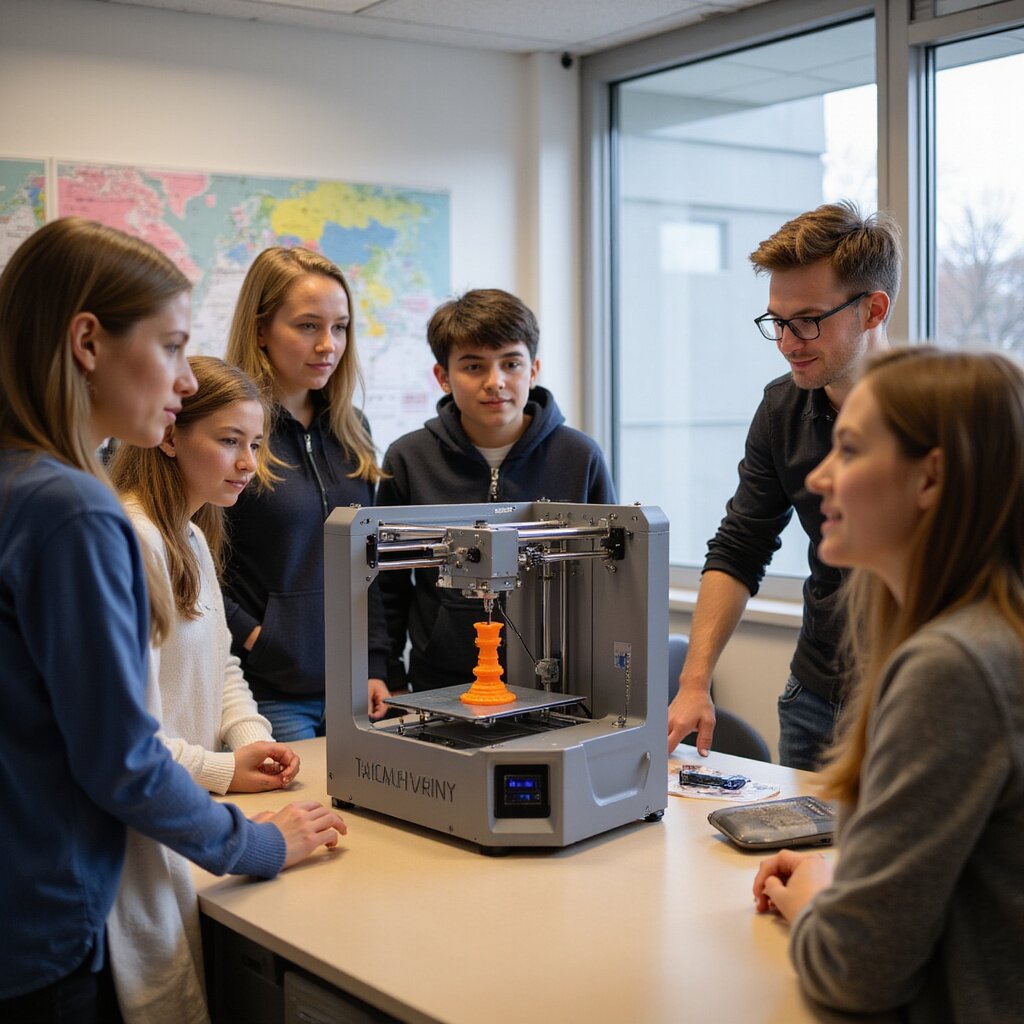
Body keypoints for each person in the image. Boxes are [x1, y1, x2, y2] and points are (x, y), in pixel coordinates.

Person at [0, 218, 347, 1023]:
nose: (184, 381)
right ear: (87, 342)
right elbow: (124, 759)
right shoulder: (74, 511)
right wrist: (260, 843)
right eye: (169, 347)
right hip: (48, 924)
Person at [752, 347, 1024, 1020]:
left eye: (848, 450)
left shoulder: (954, 666)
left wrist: (816, 898)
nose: (818, 478)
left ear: (930, 478)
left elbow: (854, 970)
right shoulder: (989, 637)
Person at [667, 201, 901, 770]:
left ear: (873, 310)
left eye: (809, 320)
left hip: (914, 693)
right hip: (816, 696)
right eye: (778, 320)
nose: (788, 341)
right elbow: (741, 545)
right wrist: (694, 682)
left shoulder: (940, 412)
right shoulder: (781, 407)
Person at [107, 356, 299, 1024]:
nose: (247, 463)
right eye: (227, 441)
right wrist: (224, 772)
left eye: (254, 443)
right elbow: (130, 738)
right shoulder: (132, 541)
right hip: (144, 833)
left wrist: (253, 740)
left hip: (186, 815)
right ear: (168, 435)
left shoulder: (189, 533)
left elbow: (219, 667)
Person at [377, 288, 616, 692]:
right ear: (443, 377)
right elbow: (388, 586)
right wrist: (386, 671)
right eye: (473, 366)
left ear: (534, 370)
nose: (495, 382)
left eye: (511, 364)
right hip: (441, 681)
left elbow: (609, 575)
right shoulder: (408, 459)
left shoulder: (579, 456)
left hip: (559, 680)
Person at [223, 247, 390, 740]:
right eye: (308, 326)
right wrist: (259, 638)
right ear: (260, 330)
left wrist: (376, 661)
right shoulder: (226, 430)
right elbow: (192, 560)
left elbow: (370, 554)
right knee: (304, 816)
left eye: (339, 327)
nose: (328, 346)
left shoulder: (351, 428)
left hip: (357, 689)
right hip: (269, 693)